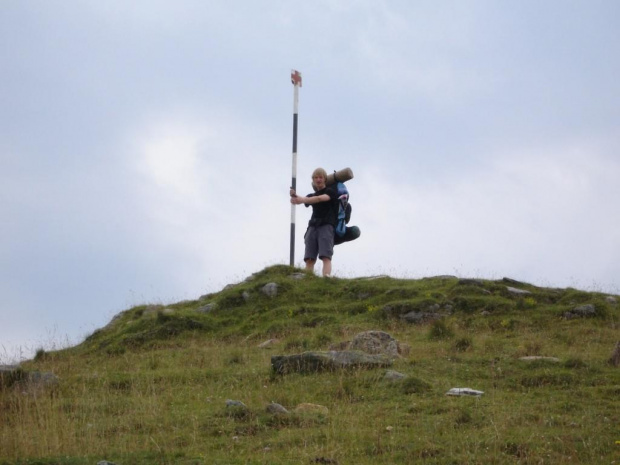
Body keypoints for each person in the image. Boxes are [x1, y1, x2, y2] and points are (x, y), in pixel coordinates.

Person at [290, 167, 338, 277]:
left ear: (325, 179)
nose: (318, 180)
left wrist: (302, 199)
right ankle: (308, 281)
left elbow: (319, 199)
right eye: (316, 177)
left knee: (325, 256)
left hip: (326, 226)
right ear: (313, 180)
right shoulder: (311, 195)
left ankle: (326, 279)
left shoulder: (331, 192)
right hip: (312, 227)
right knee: (309, 258)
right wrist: (294, 197)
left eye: (320, 177)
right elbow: (299, 201)